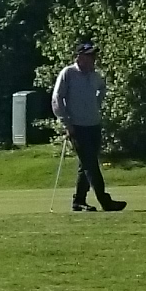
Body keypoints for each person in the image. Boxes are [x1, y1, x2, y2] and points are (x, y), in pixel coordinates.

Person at [50, 39, 125, 212]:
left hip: (94, 124)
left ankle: (79, 201)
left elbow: (102, 89)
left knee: (86, 164)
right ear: (79, 57)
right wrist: (66, 123)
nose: (93, 59)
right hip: (77, 126)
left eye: (93, 56)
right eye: (89, 56)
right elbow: (57, 99)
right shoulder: (68, 73)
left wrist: (96, 105)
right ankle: (105, 201)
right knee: (91, 164)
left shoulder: (95, 75)